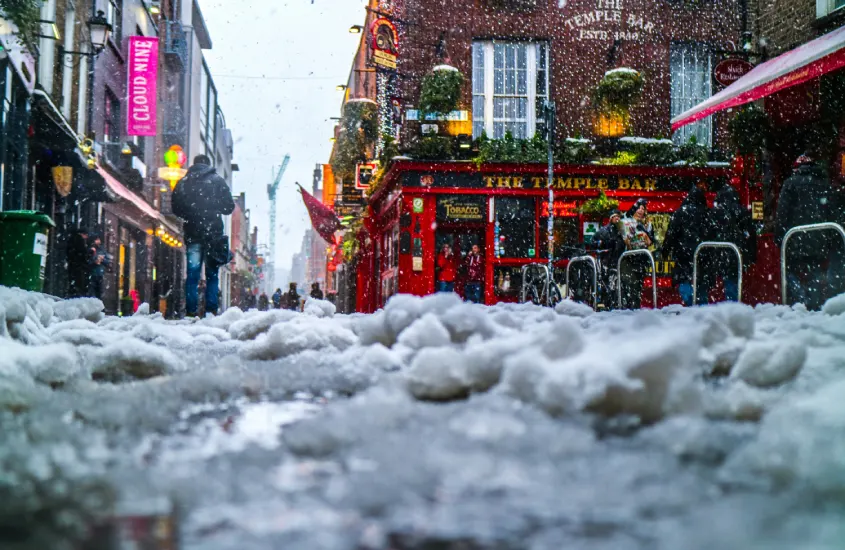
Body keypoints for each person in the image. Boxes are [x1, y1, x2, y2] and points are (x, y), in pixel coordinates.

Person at [171, 154, 236, 317]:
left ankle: (191, 312)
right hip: (213, 234)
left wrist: (190, 214)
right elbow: (229, 207)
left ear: (193, 164)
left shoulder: (184, 182)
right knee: (212, 275)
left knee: (192, 275)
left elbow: (175, 208)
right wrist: (213, 208)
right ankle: (211, 312)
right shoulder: (218, 181)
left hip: (193, 233)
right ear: (208, 164)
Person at [776, 153, 842, 310]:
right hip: (818, 238)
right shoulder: (823, 185)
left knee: (789, 272)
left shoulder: (790, 184)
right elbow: (831, 212)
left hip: (795, 237)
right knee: (815, 273)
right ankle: (813, 303)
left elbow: (782, 213)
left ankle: (799, 299)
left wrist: (780, 237)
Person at [661, 184, 711, 306]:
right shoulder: (707, 213)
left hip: (684, 254)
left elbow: (671, 234)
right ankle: (702, 308)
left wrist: (665, 251)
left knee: (684, 281)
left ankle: (690, 305)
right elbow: (712, 233)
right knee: (701, 285)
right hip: (702, 255)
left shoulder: (680, 213)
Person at [707, 185, 757, 303]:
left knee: (727, 280)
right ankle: (733, 304)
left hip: (720, 251)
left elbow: (709, 232)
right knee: (733, 279)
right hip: (737, 251)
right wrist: (751, 255)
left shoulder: (715, 212)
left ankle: (729, 305)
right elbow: (751, 234)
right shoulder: (742, 211)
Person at [619, 198, 655, 309]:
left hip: (641, 261)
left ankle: (635, 310)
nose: (640, 210)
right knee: (630, 288)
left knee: (637, 289)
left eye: (643, 208)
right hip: (628, 261)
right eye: (638, 208)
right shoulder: (625, 222)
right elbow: (622, 241)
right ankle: (629, 311)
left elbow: (651, 242)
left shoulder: (647, 225)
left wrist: (646, 236)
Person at [590, 209, 626, 309]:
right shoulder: (604, 231)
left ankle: (615, 303)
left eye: (618, 216)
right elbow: (593, 242)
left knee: (617, 285)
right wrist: (600, 245)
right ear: (611, 218)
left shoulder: (623, 231)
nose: (617, 218)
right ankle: (607, 303)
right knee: (608, 285)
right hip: (607, 261)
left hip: (619, 261)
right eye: (615, 216)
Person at [67, 226, 90, 298]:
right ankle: (77, 296)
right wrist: (90, 253)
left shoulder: (72, 239)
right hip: (78, 266)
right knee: (79, 282)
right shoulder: (80, 240)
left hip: (73, 264)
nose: (86, 237)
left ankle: (72, 294)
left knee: (73, 281)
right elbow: (83, 253)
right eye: (86, 235)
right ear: (83, 234)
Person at [88, 232, 107, 300]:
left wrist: (102, 260)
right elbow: (86, 261)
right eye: (96, 239)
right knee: (91, 293)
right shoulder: (89, 249)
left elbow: (107, 262)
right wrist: (94, 262)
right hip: (91, 274)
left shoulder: (101, 249)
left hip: (100, 274)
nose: (98, 241)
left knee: (99, 293)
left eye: (98, 239)